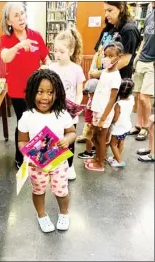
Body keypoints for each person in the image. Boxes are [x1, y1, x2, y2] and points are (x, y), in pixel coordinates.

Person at [18, 69, 76, 232]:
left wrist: (67, 140)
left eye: (50, 92)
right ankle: (41, 215)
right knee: (38, 190)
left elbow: (72, 132)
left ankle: (64, 213)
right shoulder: (27, 116)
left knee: (61, 190)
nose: (45, 97)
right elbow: (21, 141)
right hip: (36, 164)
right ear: (31, 93)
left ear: (57, 94)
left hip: (58, 161)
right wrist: (28, 153)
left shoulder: (62, 114)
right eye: (40, 92)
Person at [76, 1, 141, 144]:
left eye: (110, 10)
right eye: (105, 11)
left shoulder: (129, 30)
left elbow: (124, 60)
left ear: (121, 8)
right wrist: (92, 71)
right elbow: (98, 51)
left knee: (109, 113)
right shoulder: (108, 29)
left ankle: (103, 144)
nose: (106, 15)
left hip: (114, 81)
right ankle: (90, 137)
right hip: (100, 80)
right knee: (94, 109)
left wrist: (99, 74)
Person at [0, 2, 51, 168]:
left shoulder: (35, 35)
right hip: (17, 91)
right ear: (8, 21)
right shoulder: (6, 39)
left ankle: (40, 155)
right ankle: (20, 157)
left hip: (37, 90)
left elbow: (46, 58)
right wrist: (18, 46)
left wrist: (47, 67)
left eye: (22, 13)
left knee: (40, 122)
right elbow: (6, 57)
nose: (21, 17)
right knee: (23, 123)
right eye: (16, 15)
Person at [49, 28, 85, 180]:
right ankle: (54, 164)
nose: (57, 54)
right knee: (53, 139)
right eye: (55, 50)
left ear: (70, 51)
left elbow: (79, 92)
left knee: (69, 141)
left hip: (70, 115)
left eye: (61, 51)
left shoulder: (76, 69)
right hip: (53, 112)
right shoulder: (51, 68)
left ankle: (69, 166)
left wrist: (75, 107)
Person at [84, 42, 123, 171]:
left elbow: (112, 99)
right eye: (105, 55)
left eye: (111, 56)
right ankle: (97, 158)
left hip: (104, 113)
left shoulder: (116, 77)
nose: (107, 58)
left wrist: (103, 118)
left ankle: (100, 163)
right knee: (94, 136)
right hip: (96, 109)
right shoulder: (105, 72)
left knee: (101, 138)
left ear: (119, 57)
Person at [129, 2, 155, 141]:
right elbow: (144, 39)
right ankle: (139, 125)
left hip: (152, 64)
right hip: (142, 60)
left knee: (145, 97)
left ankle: (146, 127)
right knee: (138, 96)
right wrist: (136, 58)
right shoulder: (149, 16)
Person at [107, 78, 134, 167]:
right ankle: (116, 157)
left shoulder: (118, 104)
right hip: (127, 126)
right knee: (121, 142)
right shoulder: (131, 99)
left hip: (118, 128)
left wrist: (109, 122)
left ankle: (119, 161)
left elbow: (115, 119)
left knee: (113, 144)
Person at [77, 79, 99, 159]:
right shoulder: (92, 97)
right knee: (92, 137)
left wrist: (91, 123)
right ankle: (94, 148)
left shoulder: (96, 101)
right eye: (89, 93)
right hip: (89, 121)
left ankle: (88, 152)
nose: (90, 95)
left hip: (90, 122)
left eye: (92, 93)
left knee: (88, 138)